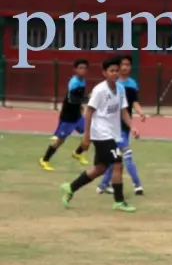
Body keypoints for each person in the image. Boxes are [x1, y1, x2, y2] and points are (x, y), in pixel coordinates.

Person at [59, 56, 137, 213]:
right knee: (117, 163)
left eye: (117, 70)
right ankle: (119, 201)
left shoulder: (120, 89)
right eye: (112, 70)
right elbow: (88, 113)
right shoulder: (99, 90)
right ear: (104, 73)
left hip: (113, 134)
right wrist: (86, 136)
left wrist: (132, 127)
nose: (115, 73)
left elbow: (123, 111)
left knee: (100, 168)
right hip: (100, 134)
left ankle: (70, 187)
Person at [97, 55, 147, 196]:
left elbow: (133, 102)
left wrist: (140, 112)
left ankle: (103, 184)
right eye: (122, 65)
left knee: (116, 158)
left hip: (125, 125)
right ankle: (137, 185)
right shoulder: (113, 84)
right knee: (126, 156)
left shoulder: (131, 84)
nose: (125, 67)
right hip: (112, 127)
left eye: (128, 64)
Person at [39, 58, 90, 171]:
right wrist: (87, 99)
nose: (83, 70)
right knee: (60, 141)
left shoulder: (83, 81)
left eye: (85, 68)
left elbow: (80, 97)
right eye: (80, 68)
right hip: (68, 117)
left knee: (89, 131)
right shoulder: (74, 82)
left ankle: (78, 153)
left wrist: (82, 106)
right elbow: (72, 99)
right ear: (75, 69)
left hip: (77, 115)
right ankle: (45, 160)